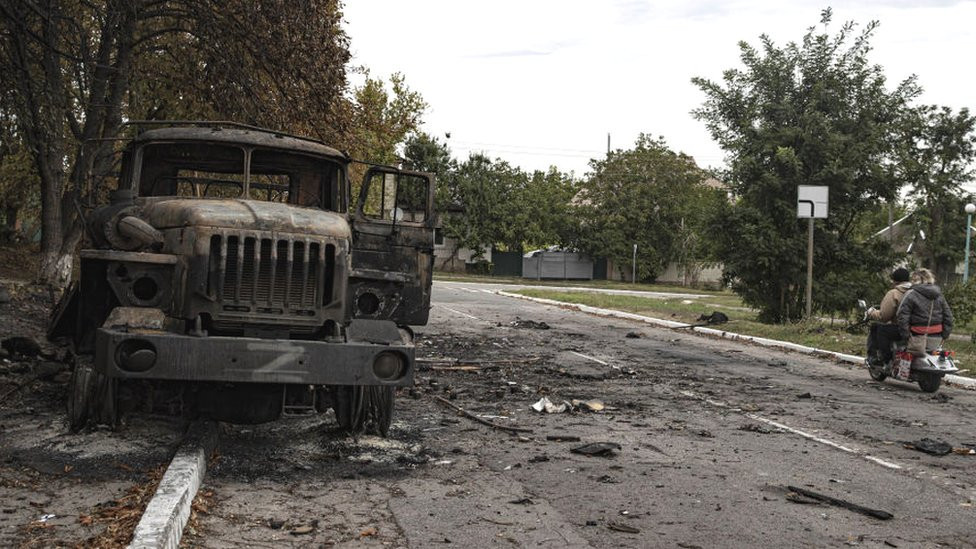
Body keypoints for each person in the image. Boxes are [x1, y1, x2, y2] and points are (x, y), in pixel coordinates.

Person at [896, 268, 953, 353]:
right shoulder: (939, 295)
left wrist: (906, 336)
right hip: (936, 338)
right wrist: (945, 335)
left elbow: (902, 316)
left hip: (916, 337)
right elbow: (948, 316)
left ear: (915, 279)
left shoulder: (911, 294)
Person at [866, 267, 912, 365]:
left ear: (895, 281)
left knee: (878, 328)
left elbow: (884, 316)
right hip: (918, 329)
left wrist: (871, 312)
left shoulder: (894, 293)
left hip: (901, 329)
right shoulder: (915, 292)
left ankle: (884, 358)